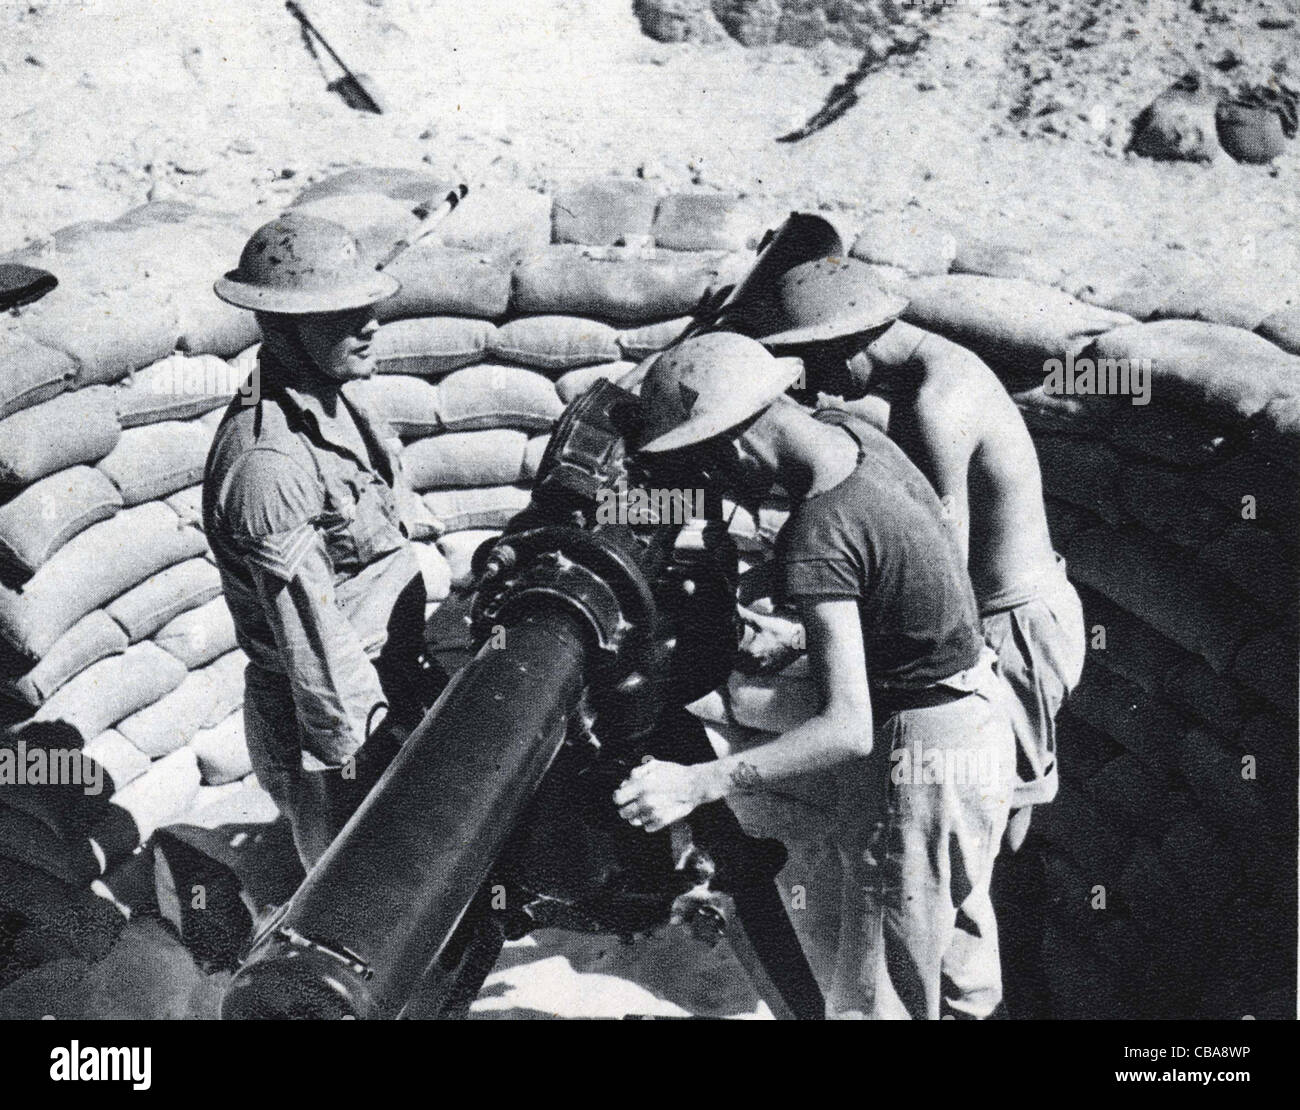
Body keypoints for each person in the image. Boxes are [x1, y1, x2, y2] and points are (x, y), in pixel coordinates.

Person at [614, 332, 1015, 1019]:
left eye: (708, 468)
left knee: (870, 998)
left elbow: (848, 729)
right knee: (955, 965)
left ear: (736, 450)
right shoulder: (853, 437)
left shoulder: (817, 529)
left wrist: (695, 782)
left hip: (916, 760)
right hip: (977, 719)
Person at [723, 257, 1085, 851]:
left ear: (844, 342)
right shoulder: (932, 374)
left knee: (999, 813)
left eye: (816, 362)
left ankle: (1005, 932)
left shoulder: (940, 403)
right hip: (1002, 616)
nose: (823, 386)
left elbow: (940, 570)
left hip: (1012, 625)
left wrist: (802, 636)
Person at [206, 212, 443, 868]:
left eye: (368, 306)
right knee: (361, 893)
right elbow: (317, 652)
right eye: (342, 314)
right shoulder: (268, 464)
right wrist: (356, 767)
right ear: (281, 328)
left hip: (386, 678)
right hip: (332, 715)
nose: (370, 324)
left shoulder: (338, 397)